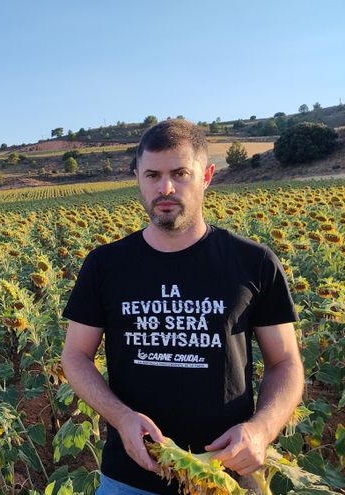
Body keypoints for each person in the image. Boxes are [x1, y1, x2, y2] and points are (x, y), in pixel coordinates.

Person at [60, 119, 304, 495]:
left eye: (180, 173)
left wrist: (261, 431)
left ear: (206, 176)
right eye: (153, 175)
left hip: (226, 477)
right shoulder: (105, 264)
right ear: (137, 178)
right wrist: (121, 417)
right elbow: (75, 356)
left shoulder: (253, 262)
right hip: (130, 477)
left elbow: (286, 363)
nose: (166, 188)